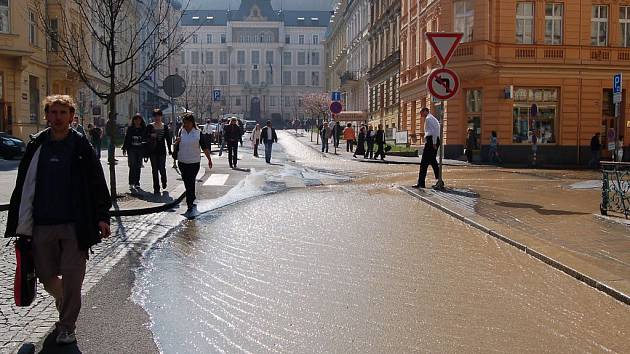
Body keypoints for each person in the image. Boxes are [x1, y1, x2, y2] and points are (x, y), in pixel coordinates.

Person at [5, 95, 111, 345]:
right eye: (53, 112)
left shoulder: (80, 145)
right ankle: (65, 301)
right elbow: (23, 185)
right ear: (46, 115)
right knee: (45, 275)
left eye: (63, 113)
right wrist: (20, 220)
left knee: (73, 279)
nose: (58, 118)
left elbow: (97, 182)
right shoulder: (37, 144)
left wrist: (102, 216)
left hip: (75, 225)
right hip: (42, 224)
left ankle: (67, 326)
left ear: (72, 116)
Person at [175, 113, 212, 213]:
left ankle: (189, 202)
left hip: (194, 162)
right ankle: (191, 197)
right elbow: (176, 145)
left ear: (192, 123)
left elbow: (204, 147)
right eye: (184, 123)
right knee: (186, 181)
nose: (185, 124)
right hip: (182, 161)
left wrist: (209, 159)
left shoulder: (198, 132)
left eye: (187, 123)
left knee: (190, 181)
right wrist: (176, 142)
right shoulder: (180, 131)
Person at [146, 109, 172, 195]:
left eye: (159, 116)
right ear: (153, 117)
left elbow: (168, 139)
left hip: (162, 151)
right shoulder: (150, 126)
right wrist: (150, 135)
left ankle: (164, 181)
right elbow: (145, 136)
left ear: (161, 116)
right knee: (154, 169)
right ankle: (156, 187)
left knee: (162, 168)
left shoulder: (165, 126)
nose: (157, 117)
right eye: (155, 116)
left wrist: (170, 149)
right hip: (152, 151)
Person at [414, 107, 441, 189]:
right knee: (432, 161)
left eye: (421, 112)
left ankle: (421, 183)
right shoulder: (432, 118)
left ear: (425, 111)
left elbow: (434, 131)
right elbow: (435, 131)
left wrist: (434, 143)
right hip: (433, 140)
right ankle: (439, 180)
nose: (420, 114)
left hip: (431, 141)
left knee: (424, 163)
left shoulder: (429, 119)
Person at [122, 114, 147, 190]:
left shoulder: (143, 129)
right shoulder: (130, 129)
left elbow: (146, 139)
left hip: (140, 149)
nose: (137, 121)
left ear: (141, 121)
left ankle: (137, 183)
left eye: (139, 120)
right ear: (133, 121)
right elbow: (127, 138)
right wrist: (124, 148)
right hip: (132, 149)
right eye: (136, 120)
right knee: (132, 165)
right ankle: (131, 182)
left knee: (138, 166)